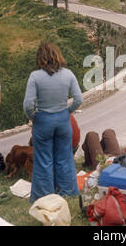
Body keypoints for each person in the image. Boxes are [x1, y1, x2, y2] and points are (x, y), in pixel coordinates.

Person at [23, 42, 83, 203]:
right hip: (63, 120)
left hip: (43, 120)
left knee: (43, 159)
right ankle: (68, 192)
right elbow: (78, 99)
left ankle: (45, 196)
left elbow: (28, 105)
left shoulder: (35, 76)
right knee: (64, 158)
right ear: (58, 55)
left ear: (40, 57)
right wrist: (67, 112)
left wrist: (33, 117)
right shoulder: (68, 74)